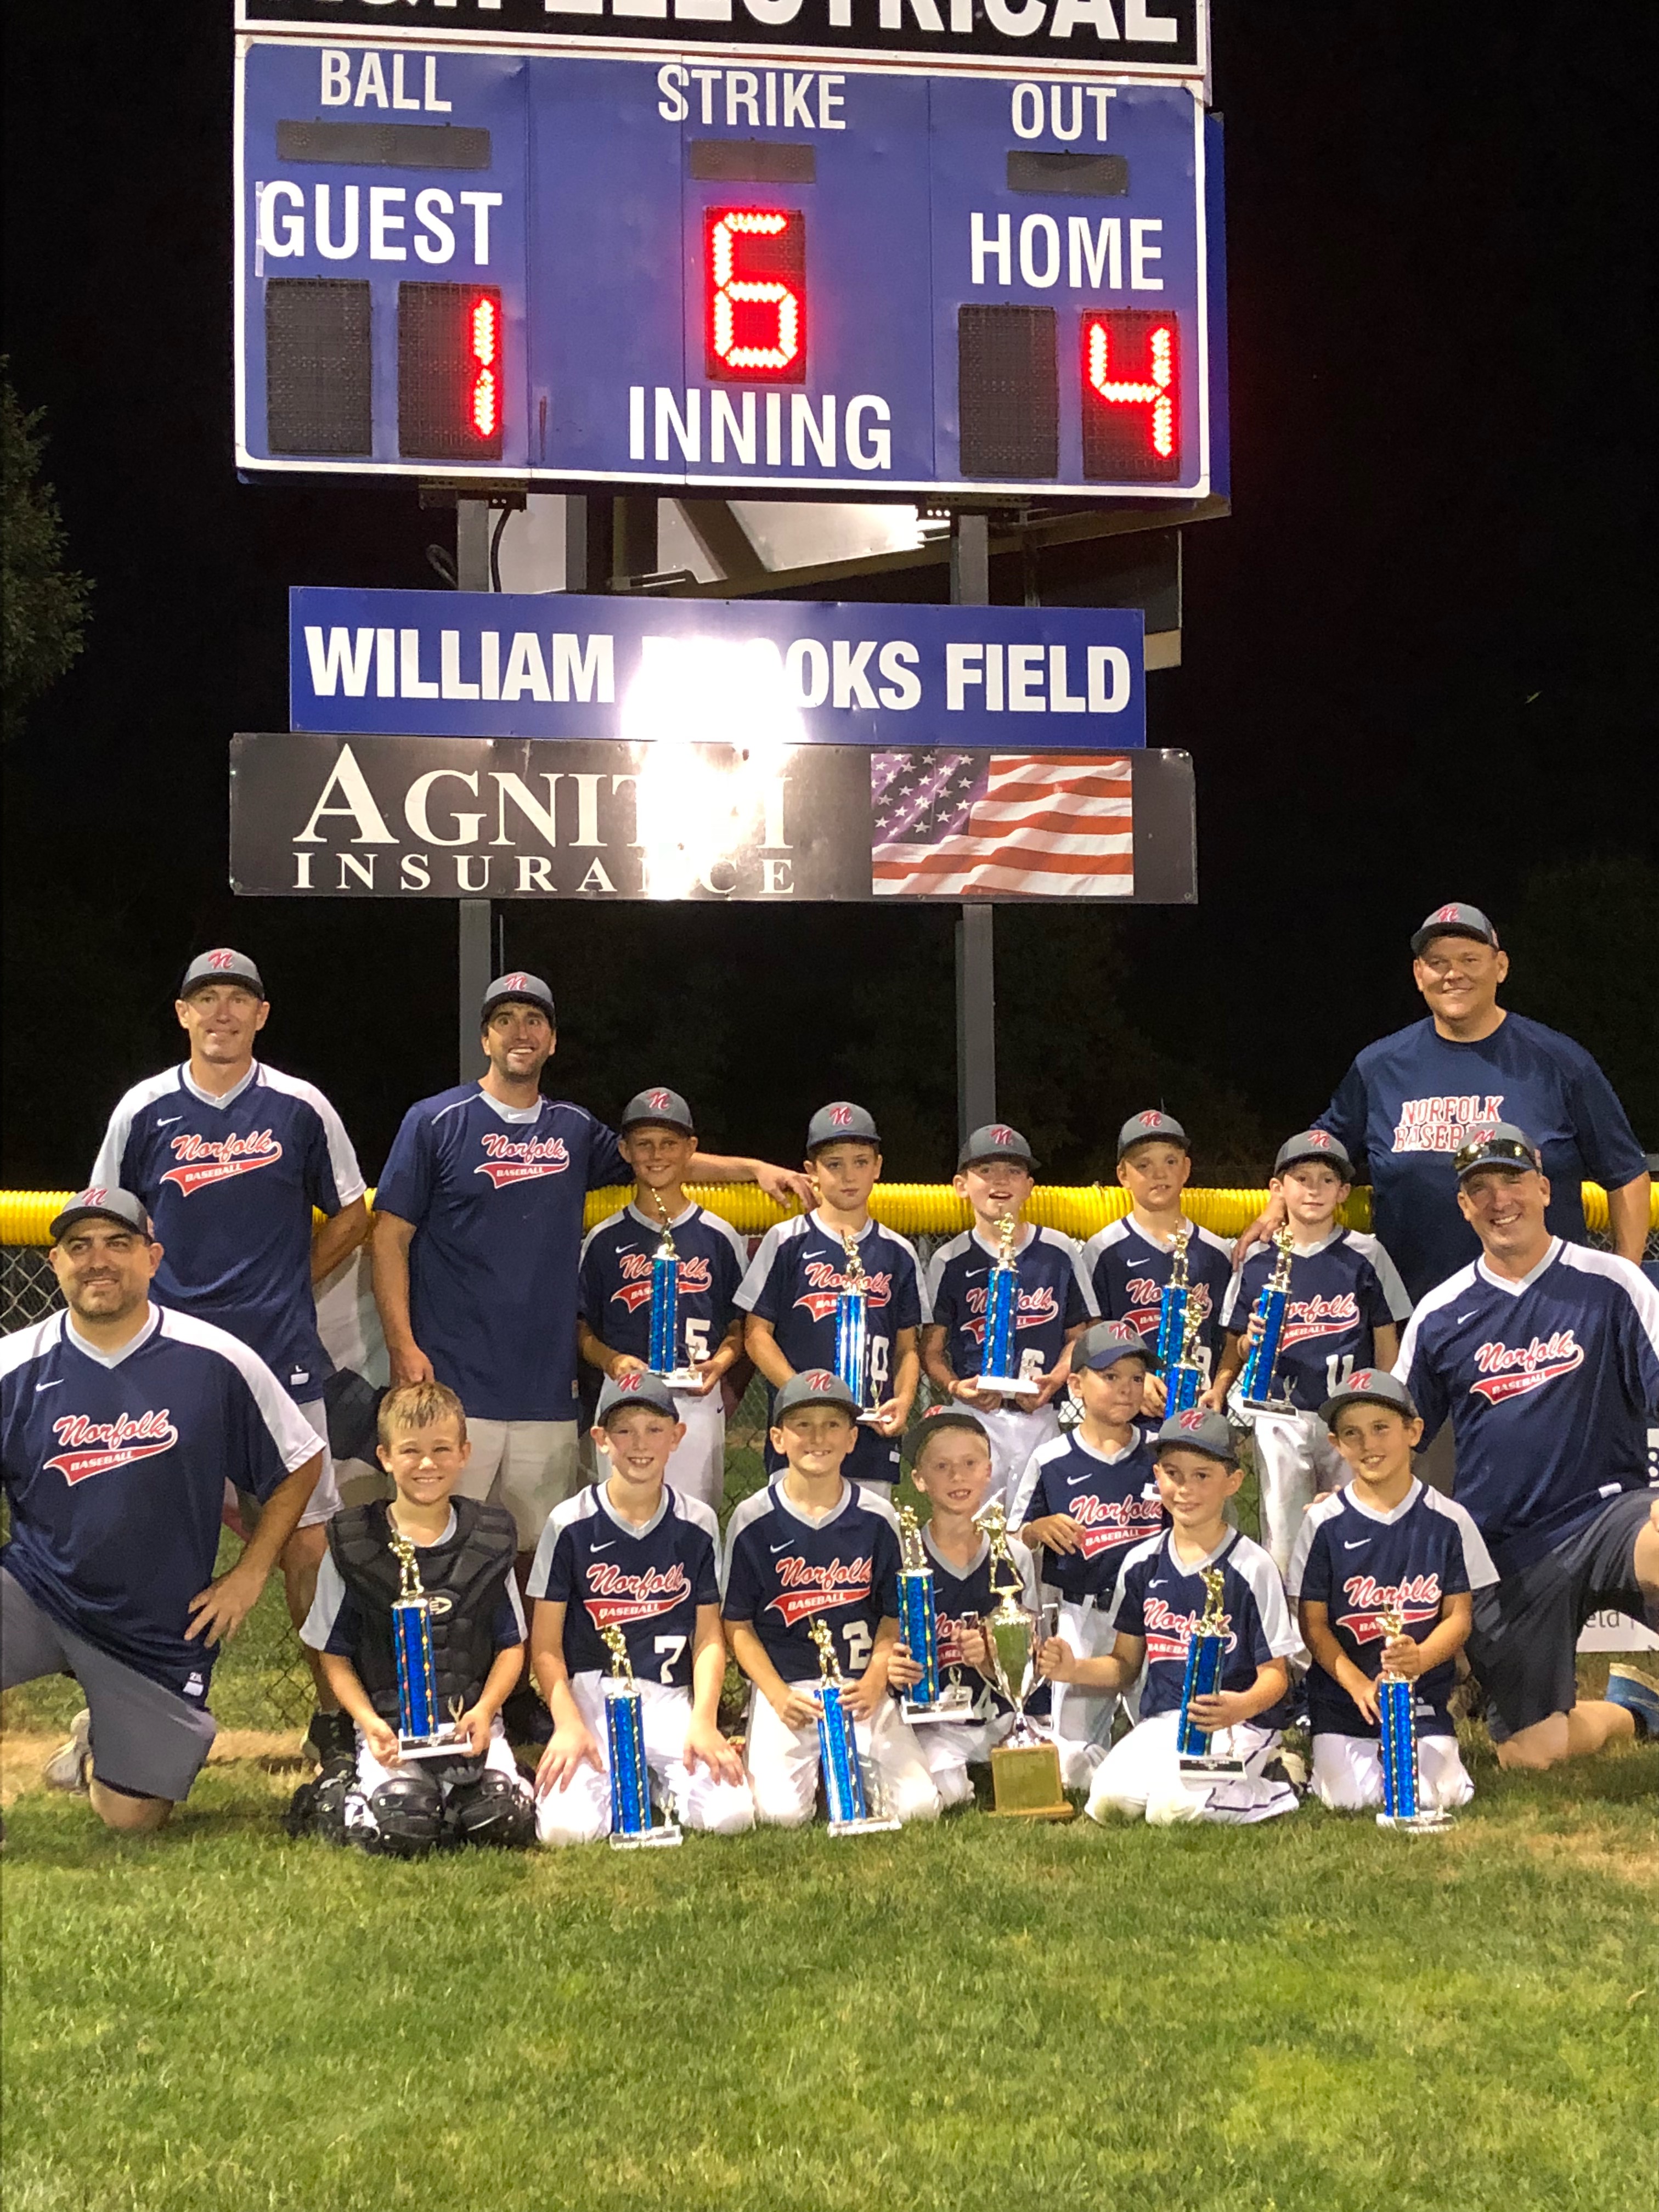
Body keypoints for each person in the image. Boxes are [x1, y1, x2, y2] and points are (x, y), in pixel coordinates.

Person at [372, 970, 811, 1584]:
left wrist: (753, 1167)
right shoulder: (436, 1121)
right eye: (505, 1021)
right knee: (443, 1550)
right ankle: (450, 1681)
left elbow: (660, 1157)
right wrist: (401, 1344)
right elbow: (389, 1236)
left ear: (552, 1041)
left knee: (535, 1553)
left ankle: (523, 1680)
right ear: (485, 1039)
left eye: (534, 1021)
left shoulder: (572, 1128)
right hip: (453, 1374)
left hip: (546, 1388)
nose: (519, 1033)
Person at [89, 946, 368, 1765]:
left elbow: (351, 1213)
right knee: (144, 1541)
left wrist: (291, 1280)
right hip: (168, 1361)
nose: (221, 1013)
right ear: (182, 1014)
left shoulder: (298, 1105)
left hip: (280, 1356)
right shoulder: (143, 1109)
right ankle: (123, 1714)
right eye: (205, 999)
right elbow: (104, 1216)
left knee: (309, 1541)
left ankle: (334, 1718)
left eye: (237, 1000)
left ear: (261, 1016)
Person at [1, 1190, 323, 1832]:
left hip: (155, 1628)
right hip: (39, 1591)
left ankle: (104, 1743)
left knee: (131, 1820)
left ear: (153, 1259)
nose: (98, 1261)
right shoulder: (12, 1365)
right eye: (79, 1246)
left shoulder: (215, 1358)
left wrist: (252, 1570)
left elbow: (301, 1460)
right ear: (54, 1262)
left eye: (118, 1245)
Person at [1393, 1124, 1659, 1770]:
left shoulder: (1611, 1283)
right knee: (1529, 1756)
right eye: (1479, 1188)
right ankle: (1635, 1710)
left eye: (1511, 1180)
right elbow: (1398, 1438)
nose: (1498, 1199)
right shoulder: (1441, 1313)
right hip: (1506, 1552)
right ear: (1463, 1207)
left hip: (1608, 1515)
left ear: (1544, 1189)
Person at [1238, 903, 1651, 1304]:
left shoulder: (1558, 1061)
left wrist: (1625, 1280)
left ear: (1501, 967)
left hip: (1547, 1314)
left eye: (1470, 959)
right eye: (1438, 963)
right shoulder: (1380, 1066)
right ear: (1419, 975)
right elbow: (1323, 1146)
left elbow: (1626, 1174)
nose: (1454, 974)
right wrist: (1277, 1204)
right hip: (1416, 1315)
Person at [296, 1379, 534, 1855]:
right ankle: (343, 1795)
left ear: (465, 1453)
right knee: (404, 1829)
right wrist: (368, 1722)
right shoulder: (355, 1543)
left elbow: (512, 1646)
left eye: (442, 1449)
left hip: (470, 1726)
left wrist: (487, 1712)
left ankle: (488, 1789)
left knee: (498, 1823)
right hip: (391, 1729)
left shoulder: (487, 1538)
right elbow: (334, 1656)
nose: (428, 1464)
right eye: (411, 1451)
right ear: (385, 1456)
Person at [1041, 1409, 1303, 1827]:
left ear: (1233, 1482)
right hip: (1163, 1721)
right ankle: (1189, 1778)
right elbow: (1125, 1665)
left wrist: (1240, 1707)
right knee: (1108, 1802)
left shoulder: (1253, 1566)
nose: (1186, 1489)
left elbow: (1277, 1675)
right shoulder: (1141, 1562)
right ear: (1157, 1475)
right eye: (1173, 1474)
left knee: (1172, 1811)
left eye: (1203, 1476)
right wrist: (1074, 1668)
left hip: (1238, 1723)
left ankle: (1277, 1784)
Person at [528, 1370, 753, 1844]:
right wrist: (567, 1723)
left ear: (677, 1436)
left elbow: (709, 1636)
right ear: (600, 1440)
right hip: (592, 1696)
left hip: (671, 1697)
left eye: (654, 1429)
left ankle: (650, 1780)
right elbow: (546, 1645)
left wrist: (705, 1721)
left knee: (732, 1816)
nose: (639, 1444)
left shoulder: (698, 1521)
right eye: (624, 1430)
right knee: (567, 1832)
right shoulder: (569, 1523)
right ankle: (626, 1781)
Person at [721, 1371, 942, 1829]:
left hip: (860, 1688)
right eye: (803, 1425)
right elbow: (737, 1626)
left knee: (921, 1809)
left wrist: (879, 1676)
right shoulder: (752, 1519)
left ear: (852, 1439)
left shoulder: (878, 1517)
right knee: (779, 1816)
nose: (818, 1437)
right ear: (778, 1439)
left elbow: (889, 1615)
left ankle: (842, 1773)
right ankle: (821, 1772)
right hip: (790, 1690)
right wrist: (777, 1695)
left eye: (832, 1425)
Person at [1288, 1368, 1495, 1815]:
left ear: (1414, 1431)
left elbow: (1459, 1617)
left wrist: (1419, 1659)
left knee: (1440, 1796)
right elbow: (1314, 1624)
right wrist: (1358, 1683)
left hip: (1420, 1697)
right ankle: (1294, 1766)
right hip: (1345, 1700)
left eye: (1382, 1428)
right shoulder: (1324, 1524)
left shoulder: (1449, 1520)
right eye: (1352, 1434)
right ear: (1337, 1445)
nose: (1369, 1445)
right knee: (1348, 1800)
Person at [1208, 1131, 1410, 1574]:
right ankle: (1293, 1642)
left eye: (1326, 1179)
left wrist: (1387, 1403)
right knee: (1285, 1537)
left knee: (1359, 1525)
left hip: (1350, 1414)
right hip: (1281, 1414)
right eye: (1301, 1178)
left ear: (1342, 1192)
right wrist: (1233, 1367)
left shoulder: (1366, 1253)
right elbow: (1234, 1344)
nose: (1314, 1189)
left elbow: (1385, 1338)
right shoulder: (1258, 1260)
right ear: (1279, 1190)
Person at [736, 1102, 927, 1489]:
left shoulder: (897, 1251)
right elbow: (757, 1335)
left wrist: (905, 1400)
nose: (848, 1175)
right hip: (801, 1431)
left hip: (871, 1433)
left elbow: (907, 1348)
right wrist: (802, 1398)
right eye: (834, 1164)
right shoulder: (787, 1241)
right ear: (812, 1173)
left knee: (864, 1543)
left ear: (878, 1167)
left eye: (860, 1162)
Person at [577, 1087, 750, 1513]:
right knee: (620, 1517)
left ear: (691, 1149)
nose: (657, 1155)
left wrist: (722, 1364)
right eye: (644, 1144)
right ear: (625, 1150)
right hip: (623, 1395)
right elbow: (580, 1328)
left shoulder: (719, 1236)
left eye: (669, 1143)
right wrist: (611, 1362)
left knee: (694, 1520)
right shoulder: (603, 1240)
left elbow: (738, 1327)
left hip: (695, 1397)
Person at [1008, 1319, 1164, 1786]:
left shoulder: (1161, 1454)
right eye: (1110, 1376)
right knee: (1070, 1766)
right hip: (1085, 1617)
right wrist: (1037, 1528)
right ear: (1075, 1384)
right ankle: (1118, 1769)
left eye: (1137, 1378)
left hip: (1154, 1619)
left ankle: (1135, 1762)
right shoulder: (1053, 1457)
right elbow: (1014, 1538)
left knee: (1173, 1742)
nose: (1126, 1389)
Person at [922, 1122, 1096, 1503]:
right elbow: (931, 1350)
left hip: (1040, 1413)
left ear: (1029, 1186)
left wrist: (1055, 1379)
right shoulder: (949, 1260)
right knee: (971, 1529)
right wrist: (955, 1387)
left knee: (1036, 1531)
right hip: (975, 1416)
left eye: (1014, 1171)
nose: (1000, 1180)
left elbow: (1078, 1337)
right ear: (961, 1185)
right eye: (985, 1170)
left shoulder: (1059, 1250)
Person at [890, 1409, 1040, 1810]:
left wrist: (994, 1658)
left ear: (988, 1471)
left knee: (1061, 1769)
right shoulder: (904, 1559)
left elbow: (1030, 1660)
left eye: (969, 1464)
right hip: (933, 1721)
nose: (957, 1477)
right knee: (950, 1793)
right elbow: (886, 1641)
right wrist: (893, 1666)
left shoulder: (1014, 1555)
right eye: (942, 1467)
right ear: (920, 1480)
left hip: (1000, 1712)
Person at [1082, 1112, 1233, 1415]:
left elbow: (1230, 1338)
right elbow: (1092, 1335)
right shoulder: (1102, 1250)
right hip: (1126, 1413)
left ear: (1186, 1168)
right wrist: (1136, 1379)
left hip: (1198, 1407)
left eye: (1170, 1161)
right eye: (1143, 1165)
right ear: (1123, 1175)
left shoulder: (1217, 1252)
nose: (1159, 1173)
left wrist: (1219, 1388)